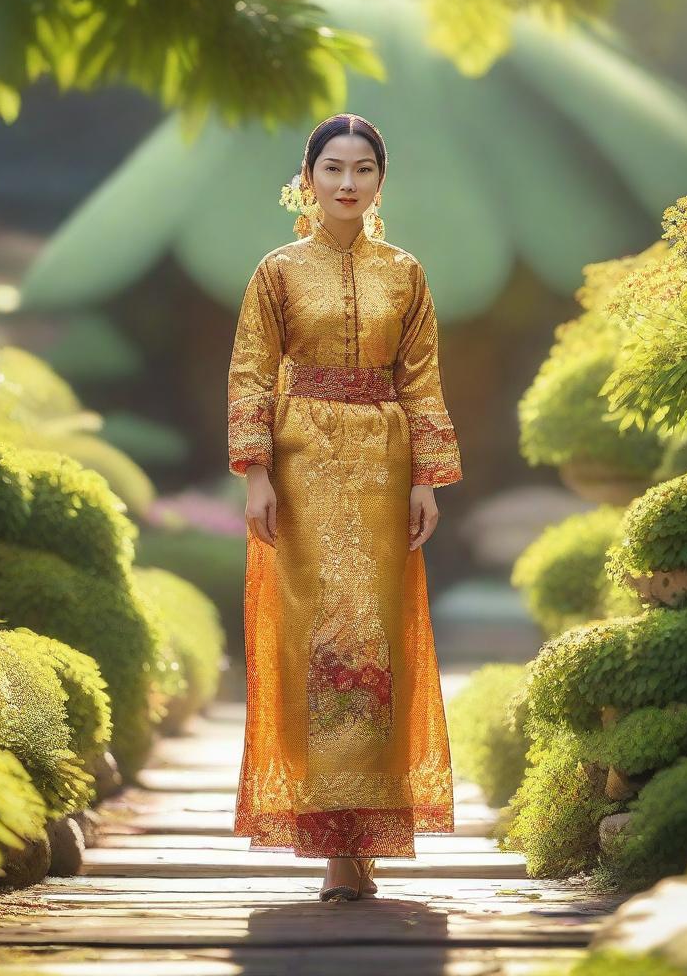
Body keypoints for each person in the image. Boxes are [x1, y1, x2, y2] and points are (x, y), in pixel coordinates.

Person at [227, 112, 463, 902]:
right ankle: (332, 845)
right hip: (301, 467)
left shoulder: (408, 273)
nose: (348, 183)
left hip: (385, 468)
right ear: (308, 176)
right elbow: (253, 375)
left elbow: (423, 379)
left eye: (363, 169)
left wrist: (426, 478)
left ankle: (367, 835)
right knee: (316, 643)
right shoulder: (277, 271)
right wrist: (256, 473)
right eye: (333, 167)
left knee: (376, 640)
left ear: (380, 181)